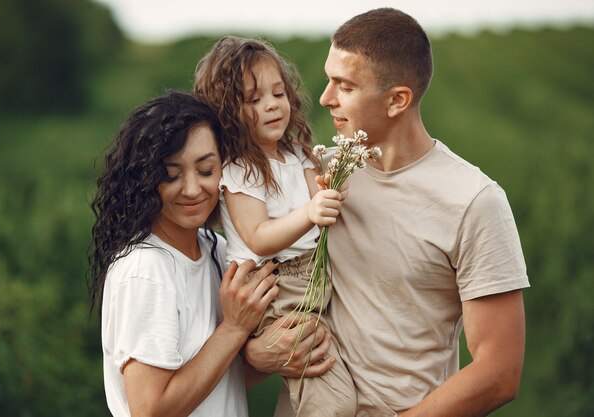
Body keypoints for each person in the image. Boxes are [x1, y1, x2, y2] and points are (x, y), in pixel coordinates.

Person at [244, 8, 530, 417]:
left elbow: (499, 372)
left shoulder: (473, 201)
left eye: (344, 86)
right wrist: (257, 353)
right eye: (328, 80)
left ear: (397, 100)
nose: (324, 98)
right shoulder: (318, 178)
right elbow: (265, 306)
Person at [88, 90, 280, 417]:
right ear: (145, 179)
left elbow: (219, 380)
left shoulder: (217, 249)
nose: (192, 189)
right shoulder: (147, 269)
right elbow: (150, 409)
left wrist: (272, 355)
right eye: (171, 175)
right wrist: (233, 328)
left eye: (206, 170)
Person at [194, 36, 356, 416]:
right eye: (253, 100)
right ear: (226, 114)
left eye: (278, 93)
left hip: (313, 278)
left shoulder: (296, 153)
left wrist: (336, 183)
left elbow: (321, 194)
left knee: (309, 388)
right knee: (334, 401)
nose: (271, 105)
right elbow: (259, 238)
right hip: (275, 288)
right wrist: (311, 213)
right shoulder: (240, 169)